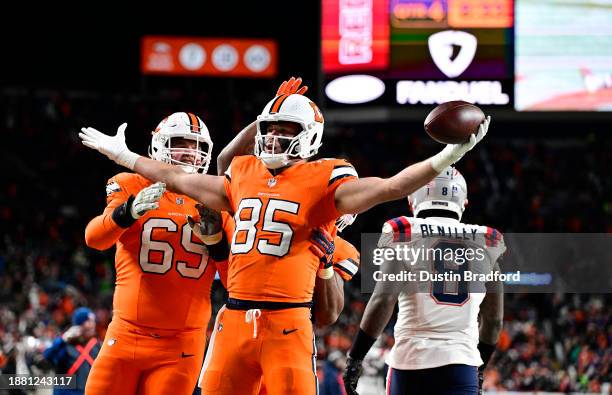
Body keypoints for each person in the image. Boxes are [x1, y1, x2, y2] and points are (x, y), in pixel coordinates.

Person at [78, 79, 490, 394]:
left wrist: (445, 157)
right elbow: (178, 176)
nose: (273, 138)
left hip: (288, 323)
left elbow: (389, 187)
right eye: (269, 129)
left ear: (310, 136)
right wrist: (124, 156)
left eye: (285, 129)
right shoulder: (242, 172)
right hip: (233, 320)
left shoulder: (324, 177)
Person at [82, 112, 229, 395]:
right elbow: (94, 238)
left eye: (197, 146)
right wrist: (128, 212)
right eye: (182, 143)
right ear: (160, 145)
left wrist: (217, 242)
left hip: (181, 345)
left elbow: (234, 279)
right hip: (126, 333)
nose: (190, 153)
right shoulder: (131, 183)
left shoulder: (218, 197)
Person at [342, 167, 505, 395]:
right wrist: (479, 368)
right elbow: (493, 320)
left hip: (411, 362)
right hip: (462, 362)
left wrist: (355, 359)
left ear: (412, 201)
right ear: (464, 203)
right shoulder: (487, 241)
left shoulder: (405, 232)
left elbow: (383, 299)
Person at [43, 307, 101, 395]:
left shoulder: (97, 345)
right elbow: (47, 356)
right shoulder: (66, 345)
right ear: (79, 326)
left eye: (93, 321)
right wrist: (63, 339)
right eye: (88, 321)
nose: (93, 325)